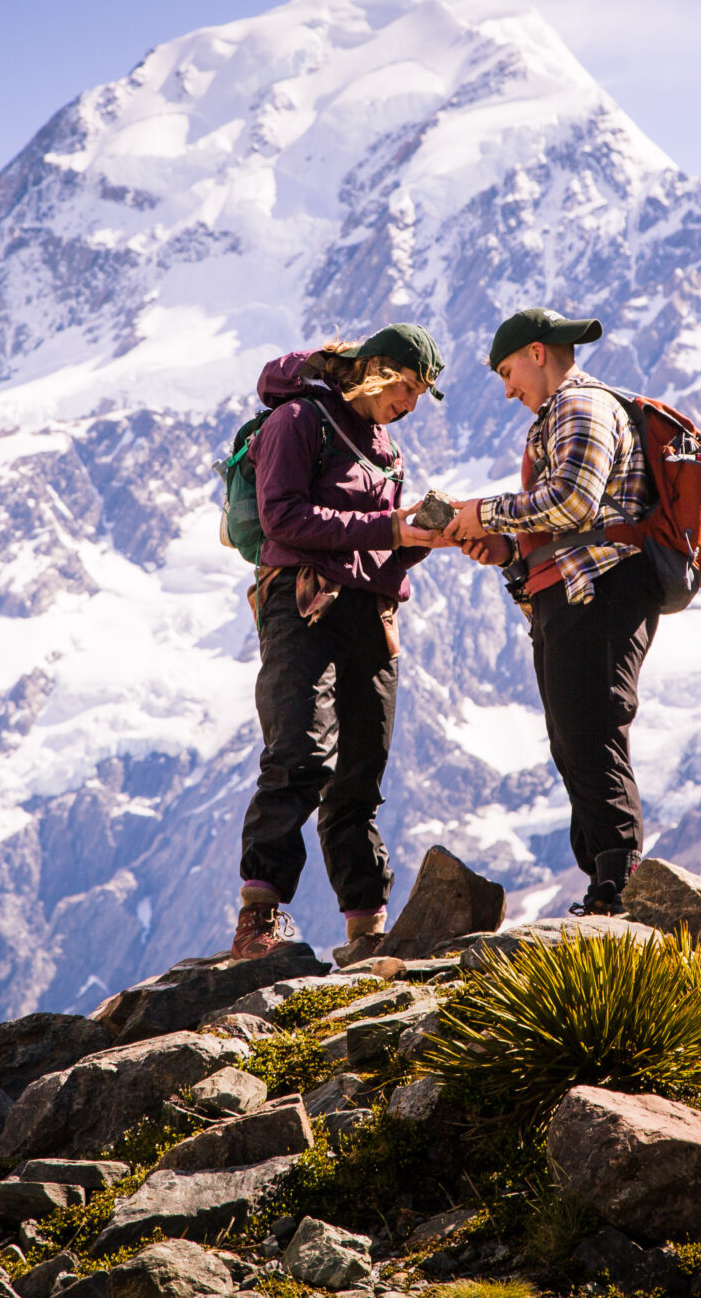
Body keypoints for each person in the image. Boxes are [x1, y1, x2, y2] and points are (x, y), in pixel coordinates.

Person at [231, 324, 450, 962]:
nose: (410, 404)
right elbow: (282, 517)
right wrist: (389, 528)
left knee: (359, 777)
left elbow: (379, 548)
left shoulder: (387, 451)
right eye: (407, 388)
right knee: (299, 755)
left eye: (420, 395)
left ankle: (366, 932)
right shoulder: (300, 420)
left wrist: (422, 538)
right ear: (376, 370)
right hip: (303, 607)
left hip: (371, 617)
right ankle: (258, 915)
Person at [443, 307, 659, 916]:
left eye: (507, 372)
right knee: (573, 735)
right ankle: (605, 883)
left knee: (589, 729)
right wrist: (508, 548)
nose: (507, 390)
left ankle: (620, 885)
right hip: (574, 589)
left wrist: (484, 513)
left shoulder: (579, 404)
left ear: (537, 353)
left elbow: (573, 500)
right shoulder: (560, 413)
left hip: (599, 587)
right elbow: (569, 519)